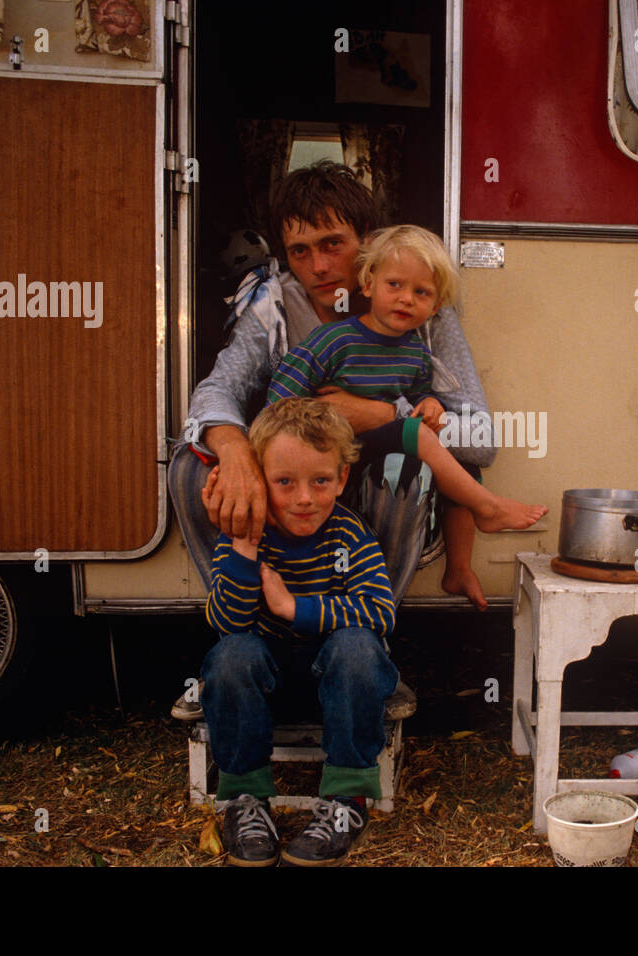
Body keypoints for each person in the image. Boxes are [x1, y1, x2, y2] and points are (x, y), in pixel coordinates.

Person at [171, 161, 497, 608]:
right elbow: (218, 388)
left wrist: (386, 417)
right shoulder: (277, 305)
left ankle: (366, 633)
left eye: (332, 244)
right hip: (297, 481)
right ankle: (244, 624)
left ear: (366, 240)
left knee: (402, 469)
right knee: (191, 466)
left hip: (370, 480)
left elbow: (481, 440)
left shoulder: (418, 306)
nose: (319, 266)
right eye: (300, 251)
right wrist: (235, 450)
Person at [204, 398, 398, 867]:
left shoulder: (348, 536)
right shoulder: (242, 535)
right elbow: (226, 624)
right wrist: (246, 549)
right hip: (265, 689)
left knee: (358, 646)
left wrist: (294, 608)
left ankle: (346, 801)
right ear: (259, 480)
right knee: (231, 655)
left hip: (341, 690)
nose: (304, 498)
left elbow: (379, 612)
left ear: (342, 479)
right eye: (284, 482)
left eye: (320, 481)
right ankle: (244, 800)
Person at [261, 224, 546, 539]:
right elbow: (279, 402)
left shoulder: (416, 353)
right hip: (329, 453)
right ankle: (489, 508)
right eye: (394, 284)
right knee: (419, 435)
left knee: (462, 464)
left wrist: (431, 403)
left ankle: (459, 569)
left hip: (376, 452)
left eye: (421, 292)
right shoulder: (333, 340)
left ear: (435, 306)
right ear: (368, 285)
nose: (406, 299)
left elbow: (418, 395)